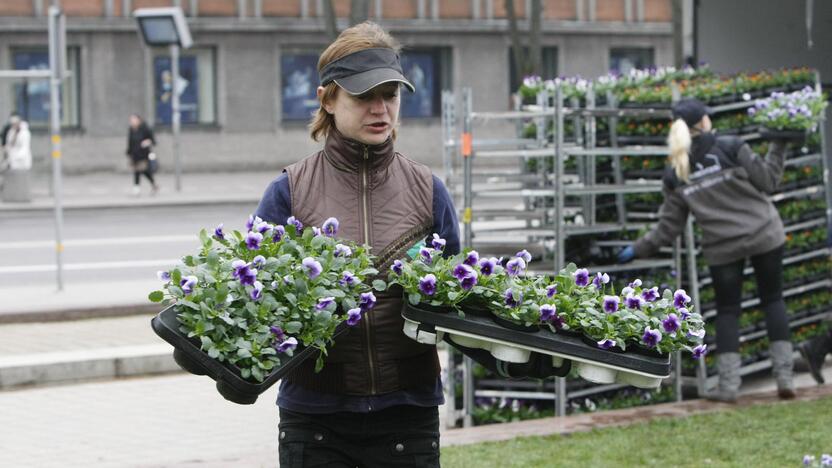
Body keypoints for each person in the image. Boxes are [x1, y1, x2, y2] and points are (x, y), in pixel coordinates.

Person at [254, 22, 458, 467]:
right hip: (316, 420)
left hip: (409, 413)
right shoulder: (289, 191)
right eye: (365, 96)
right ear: (328, 98)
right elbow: (254, 303)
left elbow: (457, 301)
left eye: (391, 95)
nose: (380, 108)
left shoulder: (428, 190)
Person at [617, 98, 795, 402]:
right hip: (765, 234)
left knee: (728, 312)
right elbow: (769, 181)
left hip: (722, 248)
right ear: (703, 122)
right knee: (773, 301)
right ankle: (785, 380)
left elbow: (668, 229)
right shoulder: (730, 146)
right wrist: (779, 144)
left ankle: (728, 388)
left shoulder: (676, 171)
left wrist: (636, 249)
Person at [125, 114, 158, 196]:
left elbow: (153, 140)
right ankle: (153, 185)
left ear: (139, 120)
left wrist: (147, 142)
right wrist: (129, 153)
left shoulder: (145, 129)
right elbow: (130, 142)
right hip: (135, 154)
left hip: (143, 154)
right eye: (131, 120)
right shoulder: (131, 130)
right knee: (140, 171)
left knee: (141, 170)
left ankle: (137, 188)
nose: (132, 122)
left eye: (134, 120)